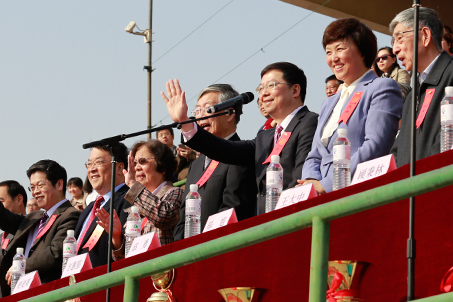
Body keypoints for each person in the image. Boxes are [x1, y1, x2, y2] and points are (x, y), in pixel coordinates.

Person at [163, 62, 319, 214]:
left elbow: (301, 179)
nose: (263, 93)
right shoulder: (265, 136)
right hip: (270, 222)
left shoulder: (309, 122)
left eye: (271, 85)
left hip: (294, 217)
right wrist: (185, 123)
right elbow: (225, 150)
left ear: (295, 90)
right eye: (261, 88)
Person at [299, 19, 403, 194]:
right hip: (322, 198)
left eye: (340, 49)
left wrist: (328, 184)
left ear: (362, 52)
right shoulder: (328, 103)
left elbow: (376, 145)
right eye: (328, 52)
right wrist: (311, 182)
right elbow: (315, 154)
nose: (333, 58)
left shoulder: (382, 87)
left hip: (359, 192)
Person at [0, 153, 80, 295]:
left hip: (46, 292)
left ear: (59, 184)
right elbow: (2, 217)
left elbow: (56, 253)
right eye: (32, 187)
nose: (36, 192)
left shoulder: (70, 214)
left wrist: (22, 265)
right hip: (20, 291)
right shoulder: (34, 217)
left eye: (40, 185)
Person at [390, 7, 453, 167]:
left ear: (425, 36)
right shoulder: (413, 94)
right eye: (393, 42)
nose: (395, 49)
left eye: (400, 38)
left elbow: (451, 140)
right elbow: (399, 149)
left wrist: (422, 175)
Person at [171, 84, 257, 240]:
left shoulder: (241, 155)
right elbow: (183, 217)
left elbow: (233, 211)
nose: (200, 116)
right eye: (197, 111)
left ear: (229, 114)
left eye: (208, 109)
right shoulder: (196, 164)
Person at [75, 143, 131, 266]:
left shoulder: (129, 198)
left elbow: (127, 248)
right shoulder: (88, 209)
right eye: (89, 164)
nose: (92, 169)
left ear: (119, 168)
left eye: (99, 162)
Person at [121, 140, 184, 246]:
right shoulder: (138, 203)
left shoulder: (176, 193)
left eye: (142, 161)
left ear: (163, 167)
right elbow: (127, 250)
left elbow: (163, 217)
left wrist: (132, 184)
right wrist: (116, 237)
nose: (136, 168)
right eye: (135, 163)